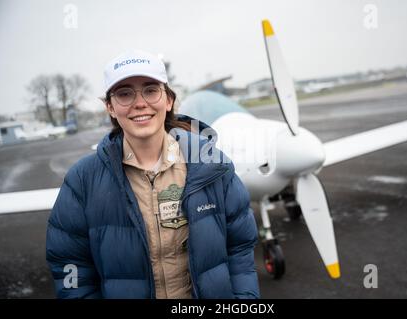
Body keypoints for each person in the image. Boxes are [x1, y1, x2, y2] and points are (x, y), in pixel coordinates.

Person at [46, 49, 260, 299]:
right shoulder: (82, 180)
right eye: (124, 93)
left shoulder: (213, 167)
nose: (140, 103)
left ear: (168, 100)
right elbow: (70, 266)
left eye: (150, 90)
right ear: (110, 107)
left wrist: (244, 300)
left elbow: (240, 249)